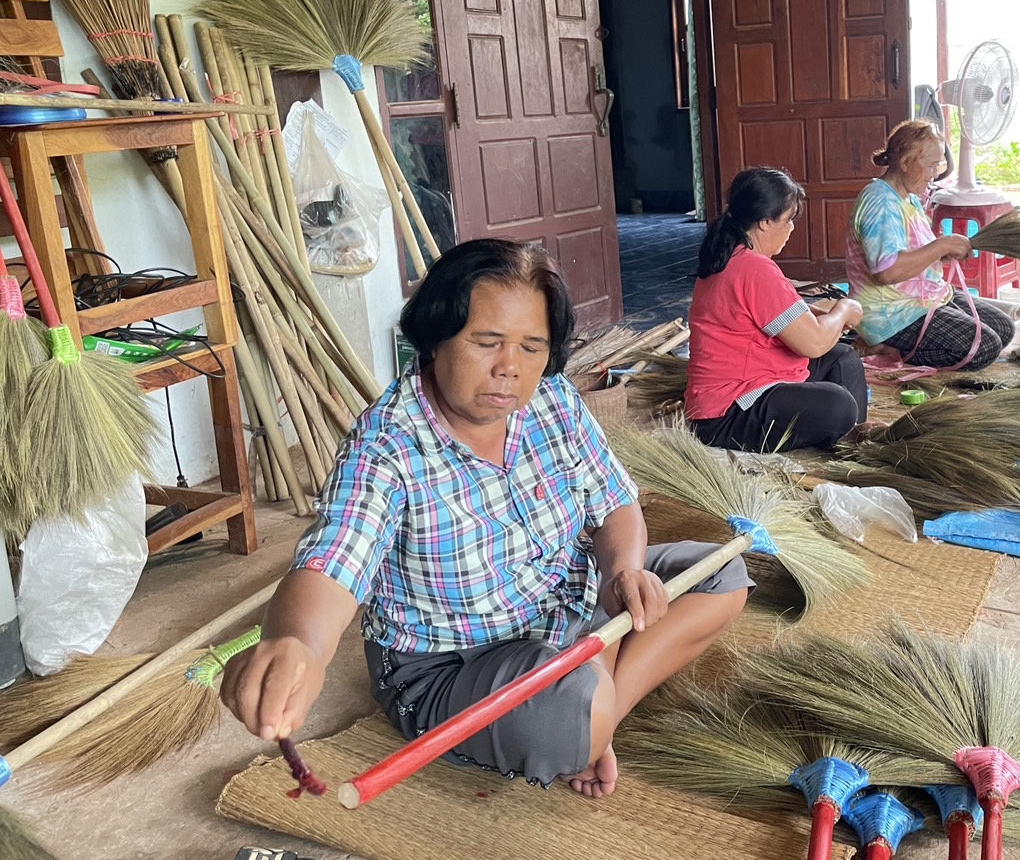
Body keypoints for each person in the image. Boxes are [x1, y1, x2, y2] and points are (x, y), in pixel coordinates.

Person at [219, 240, 750, 799]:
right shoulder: (388, 447)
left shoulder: (552, 401)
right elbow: (335, 558)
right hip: (451, 664)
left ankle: (599, 719)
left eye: (532, 347)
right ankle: (586, 713)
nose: (509, 369)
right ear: (435, 337)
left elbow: (616, 502)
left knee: (721, 573)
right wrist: (297, 643)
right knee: (569, 705)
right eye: (486, 342)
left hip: (568, 602)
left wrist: (623, 573)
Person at [685, 167, 869, 451]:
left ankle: (850, 438)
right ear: (764, 222)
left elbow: (775, 317)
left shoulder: (732, 257)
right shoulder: (753, 268)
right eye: (788, 220)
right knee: (838, 404)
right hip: (726, 413)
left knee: (842, 358)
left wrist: (821, 314)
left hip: (751, 386)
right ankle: (843, 431)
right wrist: (844, 308)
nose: (792, 229)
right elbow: (815, 343)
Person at [847, 120, 1016, 369]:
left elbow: (913, 252)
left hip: (923, 298)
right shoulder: (880, 202)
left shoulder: (908, 198)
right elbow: (887, 271)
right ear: (906, 163)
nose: (936, 172)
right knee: (983, 348)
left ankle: (899, 347)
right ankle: (885, 349)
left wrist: (942, 254)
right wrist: (941, 245)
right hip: (891, 314)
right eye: (931, 165)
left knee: (1003, 328)